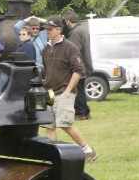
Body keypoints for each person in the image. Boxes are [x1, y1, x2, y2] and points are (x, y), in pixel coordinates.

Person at [40, 16, 98, 163]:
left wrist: (68, 91)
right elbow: (47, 71)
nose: (47, 31)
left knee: (65, 124)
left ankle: (88, 151)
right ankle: (51, 157)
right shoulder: (46, 49)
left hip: (64, 92)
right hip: (49, 93)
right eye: (45, 29)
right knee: (49, 126)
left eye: (50, 29)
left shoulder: (70, 48)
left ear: (59, 30)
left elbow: (78, 70)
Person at [63, 11, 93, 121]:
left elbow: (74, 50)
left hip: (78, 66)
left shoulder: (75, 33)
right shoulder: (83, 29)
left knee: (77, 90)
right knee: (81, 90)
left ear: (68, 21)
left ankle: (80, 113)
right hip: (84, 64)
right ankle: (86, 112)